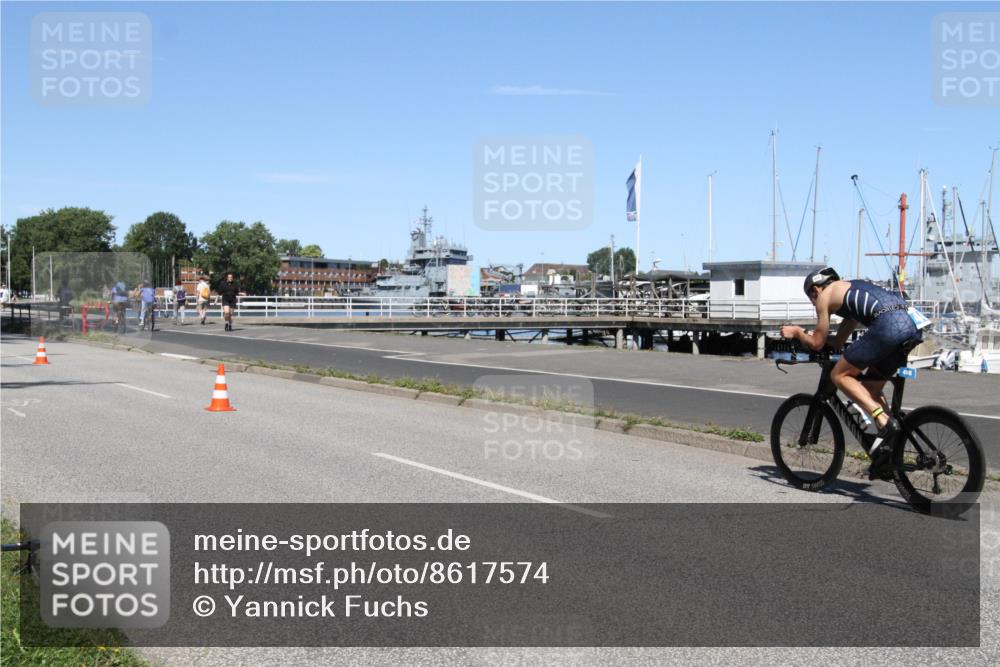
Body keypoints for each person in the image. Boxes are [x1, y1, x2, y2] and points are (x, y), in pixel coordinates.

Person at [780, 267, 925, 475]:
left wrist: (796, 332)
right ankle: (891, 444)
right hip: (910, 324)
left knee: (839, 375)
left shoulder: (824, 296)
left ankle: (884, 422)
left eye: (811, 298)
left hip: (888, 325)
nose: (814, 303)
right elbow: (838, 341)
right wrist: (815, 338)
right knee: (869, 388)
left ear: (815, 290)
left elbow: (817, 343)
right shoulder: (851, 292)